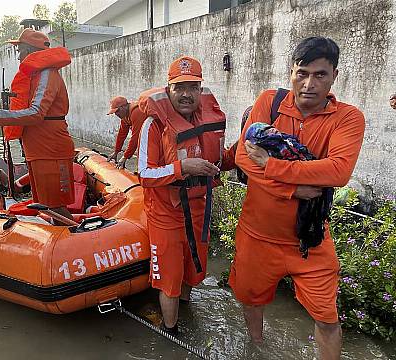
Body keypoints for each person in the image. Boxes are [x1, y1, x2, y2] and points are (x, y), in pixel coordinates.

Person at [229, 37, 365, 359]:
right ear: (291, 72)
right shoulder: (269, 102)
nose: (308, 84)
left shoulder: (347, 117)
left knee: (327, 316)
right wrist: (292, 188)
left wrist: (272, 165)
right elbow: (242, 158)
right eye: (301, 73)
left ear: (334, 76)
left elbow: (338, 171)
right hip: (257, 235)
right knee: (250, 299)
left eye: (320, 75)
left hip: (310, 239)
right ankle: (257, 349)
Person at [138, 56, 236, 334]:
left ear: (200, 90)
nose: (186, 94)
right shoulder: (153, 126)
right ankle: (171, 331)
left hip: (197, 209)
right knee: (169, 278)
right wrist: (182, 168)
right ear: (168, 90)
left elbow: (218, 164)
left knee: (193, 270)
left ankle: (186, 310)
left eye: (192, 87)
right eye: (179, 87)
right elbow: (144, 174)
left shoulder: (208, 122)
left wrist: (240, 152)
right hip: (165, 214)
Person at [0, 28, 75, 224]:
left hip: (51, 149)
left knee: (56, 207)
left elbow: (36, 113)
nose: (18, 56)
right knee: (46, 204)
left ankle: (76, 242)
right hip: (38, 149)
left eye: (20, 50)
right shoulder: (36, 76)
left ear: (30, 51)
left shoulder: (47, 74)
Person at [106, 96, 146, 169]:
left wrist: (125, 157)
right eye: (115, 112)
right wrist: (116, 152)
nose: (116, 114)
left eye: (117, 111)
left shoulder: (137, 112)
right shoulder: (124, 116)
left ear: (124, 107)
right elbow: (121, 134)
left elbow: (136, 137)